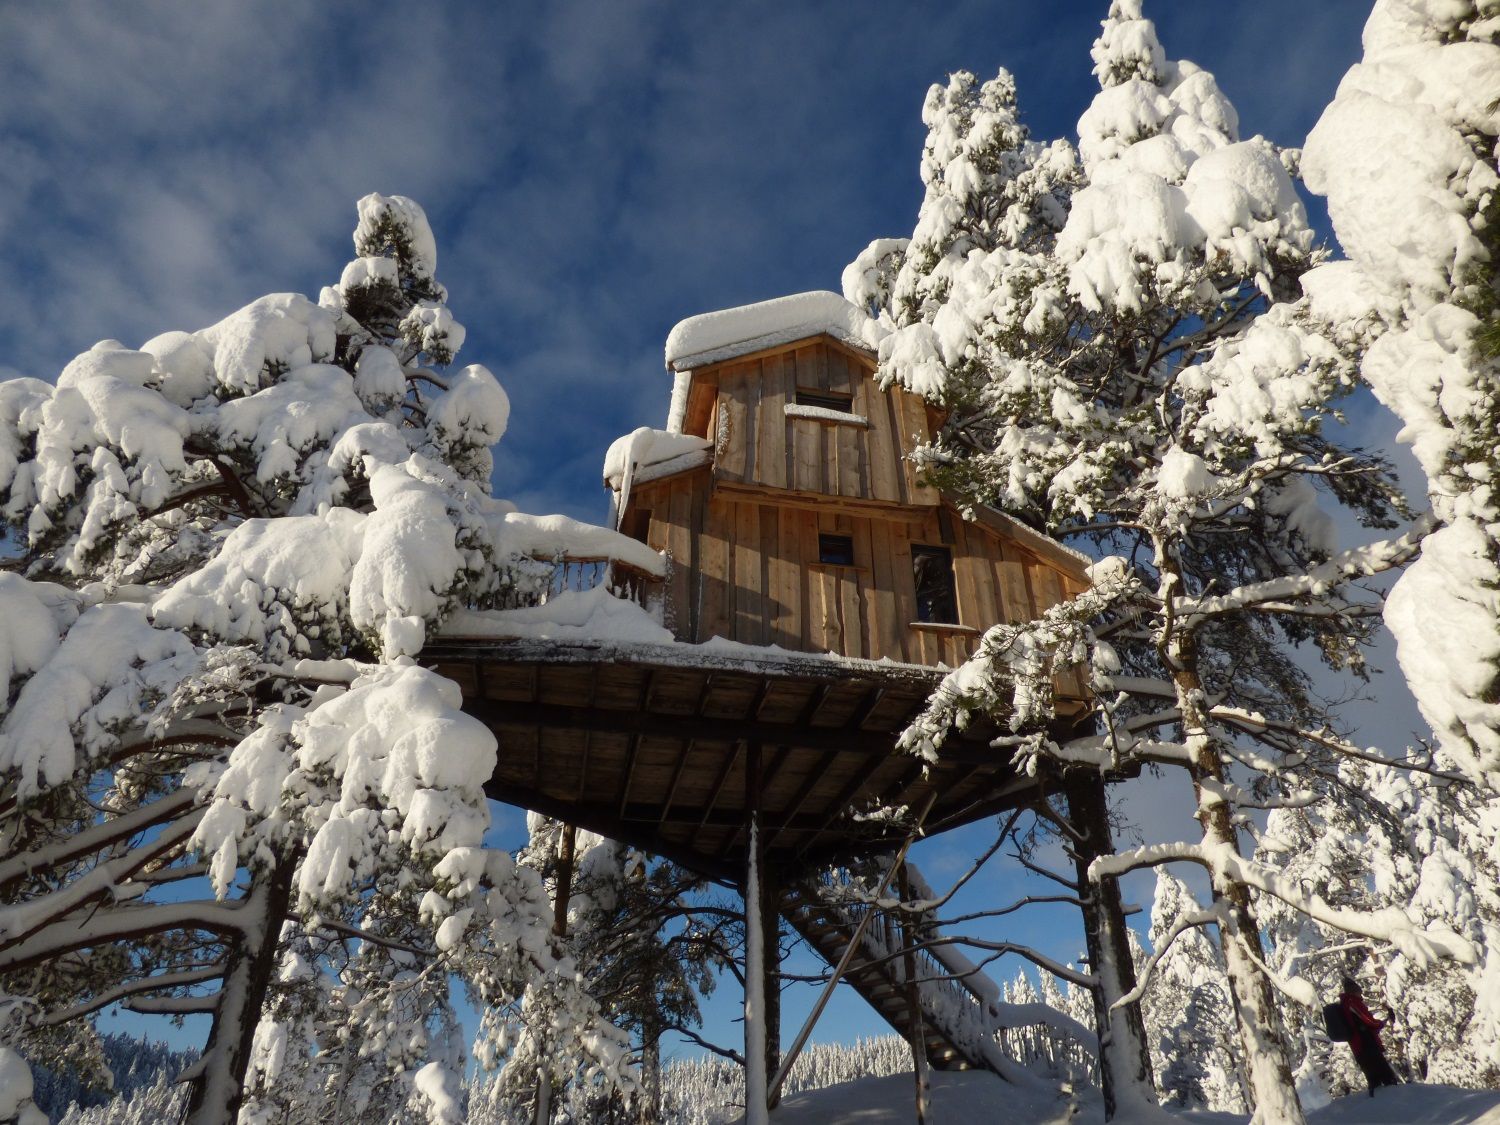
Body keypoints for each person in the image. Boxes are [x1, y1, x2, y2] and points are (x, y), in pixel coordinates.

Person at [1339, 976, 1399, 1096]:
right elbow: (1367, 1020)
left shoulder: (1345, 1003)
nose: (1360, 993)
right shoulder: (1352, 1002)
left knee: (1373, 1078)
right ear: (1354, 990)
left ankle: (1377, 1103)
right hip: (1366, 1044)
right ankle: (1393, 1099)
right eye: (1358, 991)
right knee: (1385, 1075)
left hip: (1359, 1046)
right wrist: (1380, 1024)